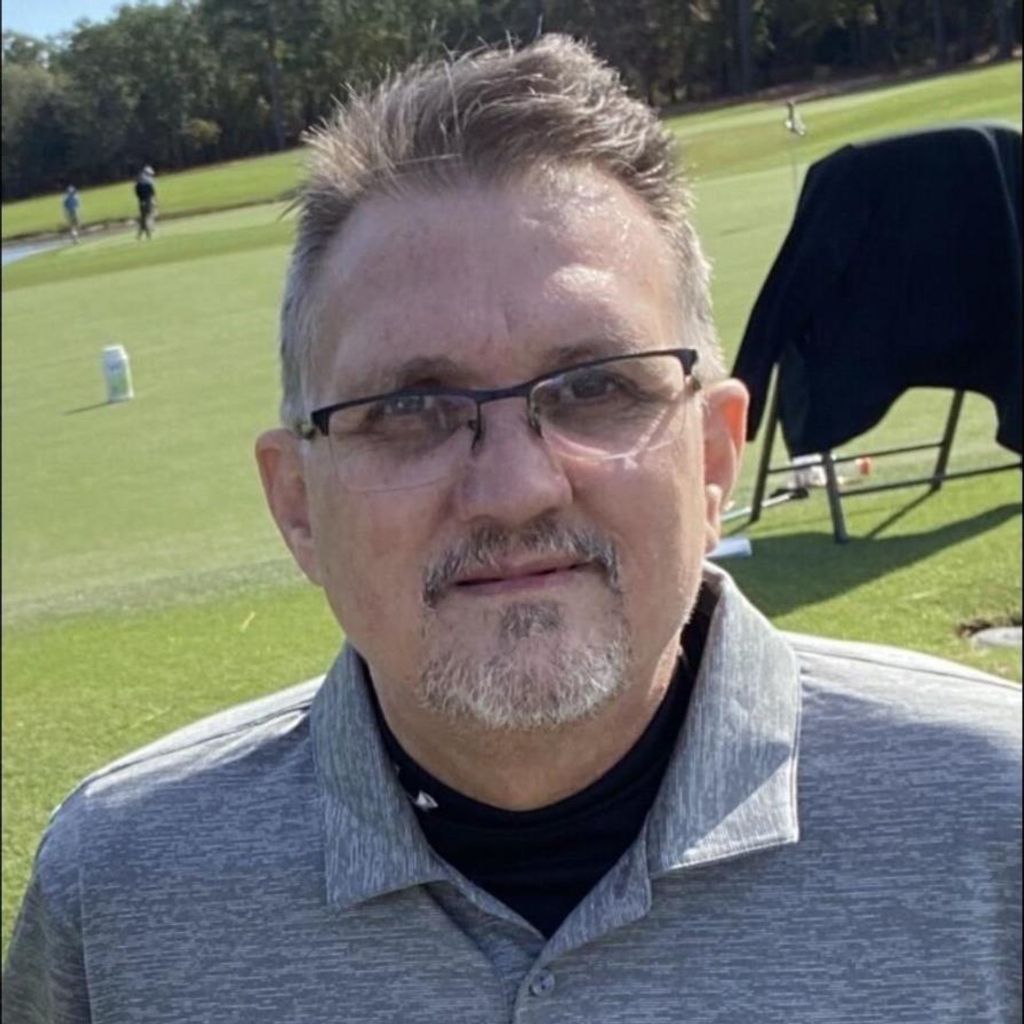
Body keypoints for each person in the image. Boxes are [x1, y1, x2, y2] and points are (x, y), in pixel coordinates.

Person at [3, 35, 1020, 1023]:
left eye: (596, 388)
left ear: (714, 460)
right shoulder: (116, 889)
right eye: (409, 409)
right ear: (297, 504)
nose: (516, 488)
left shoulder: (997, 810)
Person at [134, 165, 156, 240]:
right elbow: (151, 192)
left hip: (143, 201)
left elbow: (137, 192)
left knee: (144, 218)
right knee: (146, 218)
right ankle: (147, 234)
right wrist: (152, 201)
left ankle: (141, 235)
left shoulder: (139, 181)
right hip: (146, 201)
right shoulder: (146, 182)